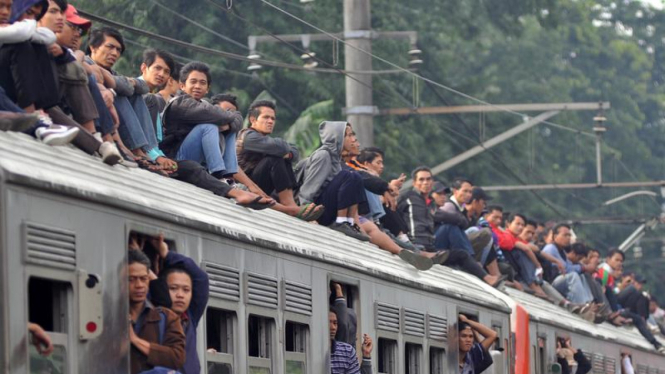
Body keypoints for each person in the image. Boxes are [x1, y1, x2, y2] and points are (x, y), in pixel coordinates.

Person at [398, 167, 502, 286]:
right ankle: (480, 269)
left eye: (428, 179)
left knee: (461, 254)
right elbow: (394, 210)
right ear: (414, 183)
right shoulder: (409, 197)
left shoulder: (430, 204)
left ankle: (488, 277)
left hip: (431, 247)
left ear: (432, 182)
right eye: (421, 180)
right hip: (415, 244)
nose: (425, 182)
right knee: (453, 228)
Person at [235, 99, 324, 220]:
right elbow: (281, 147)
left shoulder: (264, 139)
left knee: (280, 157)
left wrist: (286, 152)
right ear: (253, 120)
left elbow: (295, 152)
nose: (270, 121)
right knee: (275, 158)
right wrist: (283, 151)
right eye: (266, 117)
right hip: (245, 186)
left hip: (261, 186)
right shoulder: (249, 137)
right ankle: (290, 207)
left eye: (273, 118)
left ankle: (291, 203)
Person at [161, 61, 242, 180]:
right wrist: (231, 118)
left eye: (202, 83)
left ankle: (228, 175)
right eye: (193, 82)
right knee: (208, 127)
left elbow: (237, 119)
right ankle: (217, 174)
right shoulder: (181, 103)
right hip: (177, 158)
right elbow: (223, 116)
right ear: (182, 85)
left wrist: (229, 126)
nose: (198, 86)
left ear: (207, 89)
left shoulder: (204, 104)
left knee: (230, 129)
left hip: (196, 157)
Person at [297, 121, 369, 241]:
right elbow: (307, 189)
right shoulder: (323, 155)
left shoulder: (336, 157)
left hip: (328, 208)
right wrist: (307, 213)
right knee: (348, 175)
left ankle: (349, 223)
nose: (353, 139)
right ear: (338, 137)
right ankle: (340, 223)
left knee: (355, 176)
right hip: (318, 211)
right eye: (349, 135)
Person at [150, 234, 209, 374]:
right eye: (173, 288)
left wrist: (167, 254)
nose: (180, 295)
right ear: (162, 287)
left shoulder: (190, 316)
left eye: (186, 290)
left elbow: (201, 278)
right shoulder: (152, 316)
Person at [127, 249, 186, 374]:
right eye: (132, 279)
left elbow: (177, 358)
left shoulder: (167, 317)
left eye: (144, 279)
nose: (139, 285)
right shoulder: (110, 318)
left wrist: (135, 340)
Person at [492, 213, 547, 297]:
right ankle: (533, 285)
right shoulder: (507, 235)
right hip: (502, 266)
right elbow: (526, 249)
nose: (520, 227)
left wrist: (556, 261)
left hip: (513, 269)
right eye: (517, 224)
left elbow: (533, 248)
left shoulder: (516, 238)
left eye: (522, 225)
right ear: (508, 224)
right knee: (521, 252)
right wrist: (538, 265)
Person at [329, 308, 372, 374]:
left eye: (335, 323)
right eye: (328, 322)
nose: (333, 327)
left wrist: (366, 355)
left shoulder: (347, 352)